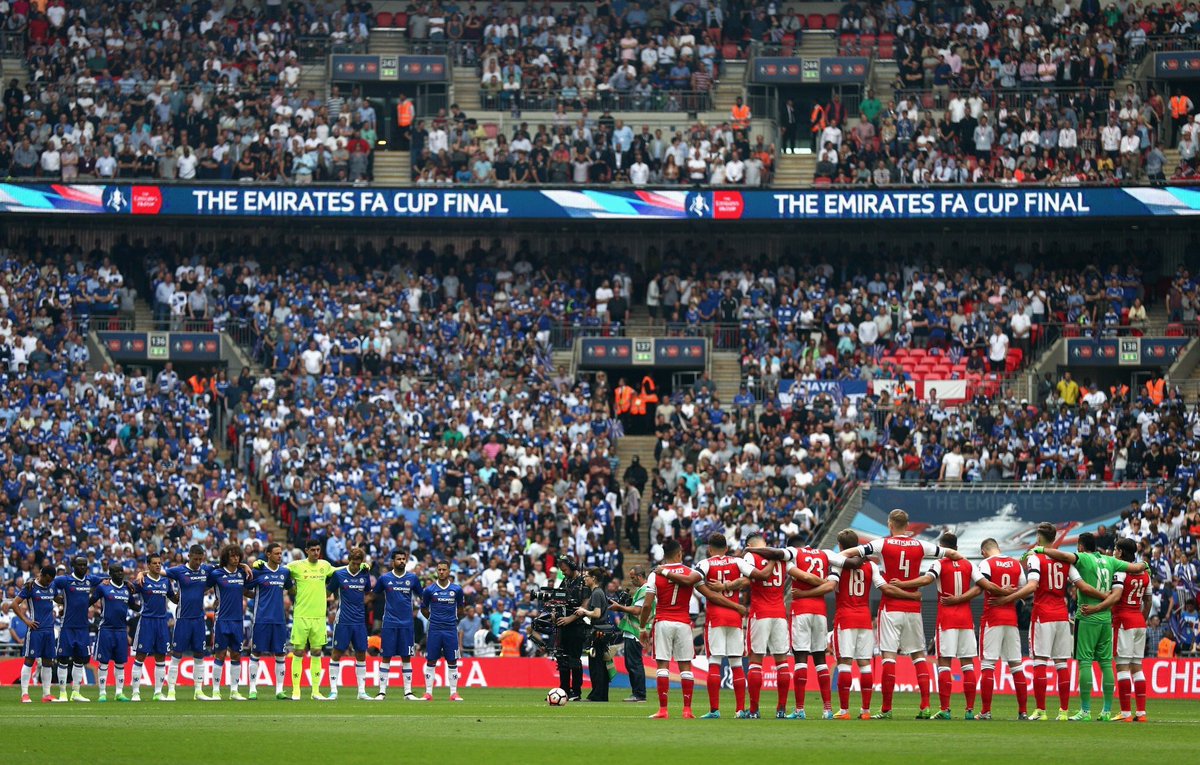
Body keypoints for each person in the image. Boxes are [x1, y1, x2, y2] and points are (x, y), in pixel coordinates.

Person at [842, 509, 960, 718]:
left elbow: (853, 552)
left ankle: (886, 709)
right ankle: (925, 706)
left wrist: (834, 558)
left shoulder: (882, 544)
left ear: (890, 524)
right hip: (913, 609)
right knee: (918, 656)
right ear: (907, 525)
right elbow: (951, 554)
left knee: (889, 656)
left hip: (891, 606)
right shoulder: (922, 545)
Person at [1033, 532, 1147, 720]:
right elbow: (1136, 567)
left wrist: (1041, 549)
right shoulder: (1109, 560)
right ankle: (1107, 711)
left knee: (1084, 662)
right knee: (1105, 663)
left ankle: (1085, 711)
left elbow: (1064, 556)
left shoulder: (1083, 558)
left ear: (1080, 546)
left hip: (1087, 614)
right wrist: (1145, 565)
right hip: (1106, 619)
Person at [657, 533, 751, 717]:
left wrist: (665, 571)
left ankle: (714, 710)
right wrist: (731, 586)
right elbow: (751, 579)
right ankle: (740, 710)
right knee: (737, 663)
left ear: (709, 549)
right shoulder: (738, 562)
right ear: (726, 548)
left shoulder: (705, 564)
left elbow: (689, 580)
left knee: (715, 662)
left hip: (716, 617)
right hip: (734, 617)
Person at [831, 529, 920, 719]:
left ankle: (845, 711)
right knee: (865, 665)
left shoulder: (838, 563)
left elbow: (830, 585)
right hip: (864, 619)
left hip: (845, 617)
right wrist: (911, 595)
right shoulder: (870, 566)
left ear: (840, 546)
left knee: (845, 663)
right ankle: (865, 711)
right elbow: (886, 588)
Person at [890, 532, 979, 719]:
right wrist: (962, 598)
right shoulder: (968, 564)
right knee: (968, 664)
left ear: (943, 546)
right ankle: (970, 711)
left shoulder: (939, 563)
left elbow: (925, 580)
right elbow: (981, 586)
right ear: (957, 546)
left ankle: (945, 710)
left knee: (944, 663)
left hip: (947, 619)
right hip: (966, 620)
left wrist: (903, 584)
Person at [941, 539, 1027, 720]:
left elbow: (981, 587)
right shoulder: (1016, 564)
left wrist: (1000, 595)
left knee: (988, 664)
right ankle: (1023, 712)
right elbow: (1024, 588)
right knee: (1016, 665)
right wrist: (1010, 595)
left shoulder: (986, 564)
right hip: (1011, 619)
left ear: (984, 551)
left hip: (992, 617)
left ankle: (986, 711)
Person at [995, 522, 1073, 720]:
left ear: (1038, 538)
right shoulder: (1065, 560)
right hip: (1062, 616)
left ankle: (1041, 711)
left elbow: (1032, 586)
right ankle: (1064, 712)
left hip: (1043, 615)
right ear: (1054, 539)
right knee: (1062, 664)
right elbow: (1079, 583)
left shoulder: (1035, 558)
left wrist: (1010, 597)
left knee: (1040, 661)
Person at [639, 539, 698, 719]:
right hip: (684, 623)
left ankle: (663, 710)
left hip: (663, 622)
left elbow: (647, 605)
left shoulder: (655, 574)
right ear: (680, 553)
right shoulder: (690, 572)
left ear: (664, 555)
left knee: (662, 666)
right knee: (686, 667)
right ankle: (687, 710)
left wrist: (642, 627)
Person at [1096, 538, 1152, 722]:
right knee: (1137, 667)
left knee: (1122, 667)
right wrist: (1141, 619)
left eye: (1115, 549)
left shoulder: (1120, 571)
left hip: (1123, 621)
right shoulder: (1145, 573)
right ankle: (1141, 713)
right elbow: (1148, 600)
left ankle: (1126, 713)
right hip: (1138, 621)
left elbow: (1115, 596)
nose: (1113, 552)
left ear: (1120, 552)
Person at [281, 539, 337, 700]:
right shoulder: (296, 565)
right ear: (307, 551)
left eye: (318, 550)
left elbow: (338, 571)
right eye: (313, 550)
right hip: (301, 615)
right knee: (298, 651)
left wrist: (357, 565)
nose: (316, 552)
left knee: (317, 652)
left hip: (319, 616)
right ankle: (296, 690)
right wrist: (261, 565)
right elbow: (278, 571)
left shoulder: (324, 565)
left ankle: (316, 691)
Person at [165, 545, 215, 700]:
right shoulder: (178, 571)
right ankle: (171, 690)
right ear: (189, 556)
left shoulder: (205, 570)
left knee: (200, 655)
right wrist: (141, 573)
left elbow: (225, 566)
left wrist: (244, 565)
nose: (198, 562)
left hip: (199, 619)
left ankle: (198, 691)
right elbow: (158, 572)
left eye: (201, 559)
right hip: (183, 619)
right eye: (196, 559)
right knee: (176, 655)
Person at [53, 556, 106, 701]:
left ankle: (75, 692)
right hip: (67, 627)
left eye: (85, 565)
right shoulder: (64, 580)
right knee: (63, 659)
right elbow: (49, 584)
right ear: (73, 566)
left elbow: (107, 578)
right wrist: (57, 599)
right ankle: (63, 693)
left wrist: (125, 581)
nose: (83, 567)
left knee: (80, 659)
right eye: (80, 565)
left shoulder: (90, 580)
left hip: (83, 627)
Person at [205, 544, 253, 700]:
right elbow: (202, 582)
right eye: (232, 556)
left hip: (237, 620)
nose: (236, 558)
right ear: (226, 557)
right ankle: (216, 690)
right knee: (219, 655)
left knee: (236, 655)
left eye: (238, 556)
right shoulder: (217, 574)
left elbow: (245, 591)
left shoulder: (241, 573)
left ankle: (234, 691)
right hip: (222, 620)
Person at [373, 549, 423, 700]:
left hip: (407, 623)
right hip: (389, 622)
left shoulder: (413, 578)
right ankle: (382, 691)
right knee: (386, 656)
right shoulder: (384, 579)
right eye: (399, 559)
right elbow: (375, 594)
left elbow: (422, 596)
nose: (402, 561)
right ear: (392, 561)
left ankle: (408, 692)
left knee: (406, 657)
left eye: (403, 559)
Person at [247, 542, 293, 700]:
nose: (280, 556)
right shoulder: (258, 571)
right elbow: (245, 587)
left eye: (281, 553)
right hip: (261, 618)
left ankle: (279, 690)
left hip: (279, 619)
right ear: (268, 554)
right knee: (256, 653)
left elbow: (289, 588)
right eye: (276, 553)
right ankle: (252, 689)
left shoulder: (284, 572)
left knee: (280, 654)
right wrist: (256, 597)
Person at [328, 547, 374, 701]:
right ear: (349, 561)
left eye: (358, 563)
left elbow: (368, 592)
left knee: (361, 653)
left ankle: (361, 691)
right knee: (337, 653)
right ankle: (333, 691)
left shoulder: (364, 574)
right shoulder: (339, 574)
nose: (355, 566)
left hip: (359, 621)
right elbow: (328, 593)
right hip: (343, 621)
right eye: (353, 563)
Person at [421, 560, 467, 701]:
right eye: (439, 569)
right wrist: (433, 619)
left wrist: (452, 620)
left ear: (449, 572)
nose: (441, 572)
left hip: (450, 629)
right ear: (436, 571)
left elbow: (460, 609)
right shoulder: (429, 590)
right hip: (434, 629)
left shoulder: (457, 590)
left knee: (452, 661)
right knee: (431, 660)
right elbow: (424, 609)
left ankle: (454, 693)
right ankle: (428, 693)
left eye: (444, 570)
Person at [12, 565, 59, 703]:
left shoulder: (52, 586)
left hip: (49, 630)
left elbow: (57, 598)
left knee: (47, 662)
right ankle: (24, 694)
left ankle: (46, 694)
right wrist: (26, 621)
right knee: (29, 660)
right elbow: (14, 604)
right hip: (35, 631)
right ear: (42, 575)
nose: (48, 582)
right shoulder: (30, 587)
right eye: (47, 579)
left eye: (51, 580)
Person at [130, 553, 172, 702]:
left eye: (159, 563)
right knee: (140, 656)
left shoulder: (166, 582)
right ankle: (135, 692)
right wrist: (135, 607)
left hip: (162, 622)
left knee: (161, 656)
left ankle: (158, 693)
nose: (158, 565)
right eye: (154, 563)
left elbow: (174, 597)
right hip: (147, 621)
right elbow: (128, 591)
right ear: (149, 565)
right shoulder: (142, 581)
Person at [91, 563, 135, 703]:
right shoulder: (103, 587)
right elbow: (90, 601)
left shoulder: (127, 588)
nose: (120, 574)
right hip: (106, 629)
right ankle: (102, 693)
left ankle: (119, 693)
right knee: (103, 663)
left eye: (121, 571)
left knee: (120, 663)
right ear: (110, 573)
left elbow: (134, 605)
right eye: (116, 571)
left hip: (121, 630)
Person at [609, 566, 649, 703]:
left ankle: (639, 694)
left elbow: (637, 611)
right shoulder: (642, 590)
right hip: (633, 630)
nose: (632, 581)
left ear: (639, 576)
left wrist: (619, 607)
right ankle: (637, 693)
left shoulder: (645, 590)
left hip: (636, 631)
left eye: (632, 578)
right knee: (632, 663)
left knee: (634, 664)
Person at [553, 557, 589, 700]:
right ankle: (563, 690)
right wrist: (554, 613)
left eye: (565, 570)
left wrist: (570, 618)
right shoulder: (565, 581)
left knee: (574, 660)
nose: (563, 573)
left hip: (577, 626)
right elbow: (558, 600)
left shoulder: (583, 582)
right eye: (561, 571)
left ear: (573, 567)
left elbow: (585, 605)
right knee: (562, 659)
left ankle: (576, 691)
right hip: (563, 626)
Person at [579, 567, 611, 702]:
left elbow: (596, 613)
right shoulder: (599, 592)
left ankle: (596, 694)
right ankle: (602, 694)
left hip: (597, 631)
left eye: (587, 576)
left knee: (596, 665)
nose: (585, 579)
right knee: (601, 665)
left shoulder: (597, 593)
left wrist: (584, 611)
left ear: (594, 579)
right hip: (602, 631)